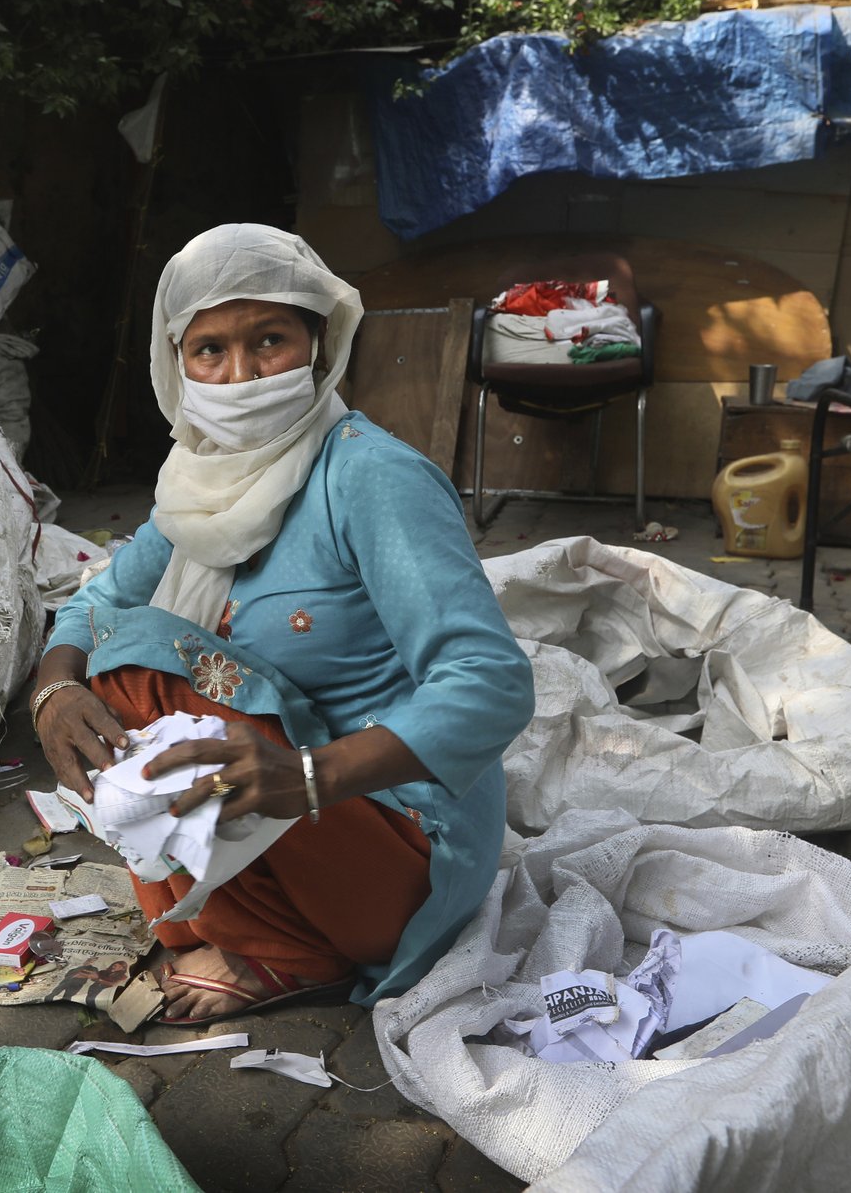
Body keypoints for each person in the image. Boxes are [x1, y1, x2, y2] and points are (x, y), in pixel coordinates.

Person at [33, 224, 533, 1026]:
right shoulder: (199, 487)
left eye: (269, 340)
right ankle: (235, 918)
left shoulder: (369, 477)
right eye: (209, 351)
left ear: (318, 343)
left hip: (396, 848)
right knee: (105, 661)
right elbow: (95, 605)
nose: (240, 376)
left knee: (142, 668)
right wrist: (52, 693)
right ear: (177, 365)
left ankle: (292, 946)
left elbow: (491, 683)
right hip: (281, 819)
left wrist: (307, 778)